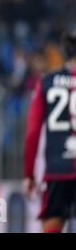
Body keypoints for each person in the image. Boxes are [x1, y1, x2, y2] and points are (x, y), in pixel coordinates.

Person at [24, 32, 76, 233]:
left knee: (52, 226)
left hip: (57, 169)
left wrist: (29, 173)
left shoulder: (46, 82)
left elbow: (32, 132)